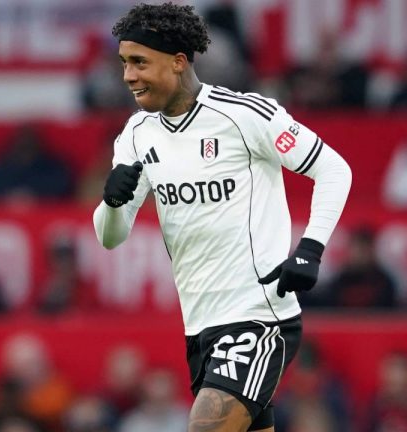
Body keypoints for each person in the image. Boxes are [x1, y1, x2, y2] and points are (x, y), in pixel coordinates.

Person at [92, 4, 352, 431]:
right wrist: (113, 203)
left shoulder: (244, 115)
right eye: (124, 64)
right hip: (201, 328)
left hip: (258, 316)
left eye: (139, 62)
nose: (128, 76)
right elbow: (110, 238)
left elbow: (333, 168)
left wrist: (310, 248)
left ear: (178, 62)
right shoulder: (136, 136)